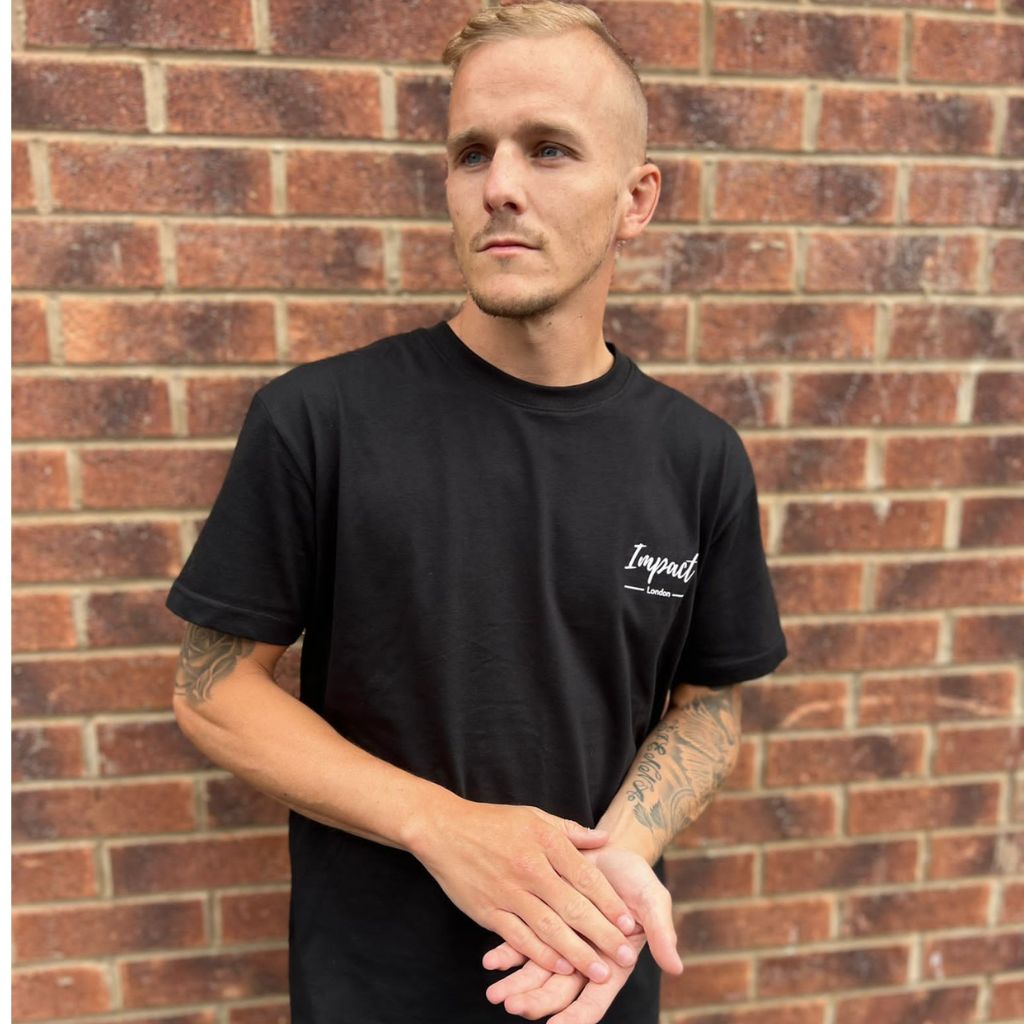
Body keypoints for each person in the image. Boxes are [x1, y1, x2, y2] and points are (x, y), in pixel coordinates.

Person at [165, 3, 787, 1022]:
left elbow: (708, 701)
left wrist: (616, 858)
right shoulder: (318, 421)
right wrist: (442, 826)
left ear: (636, 199)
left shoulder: (697, 457)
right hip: (373, 992)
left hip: (593, 978)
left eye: (548, 149)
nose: (498, 185)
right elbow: (211, 687)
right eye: (470, 153)